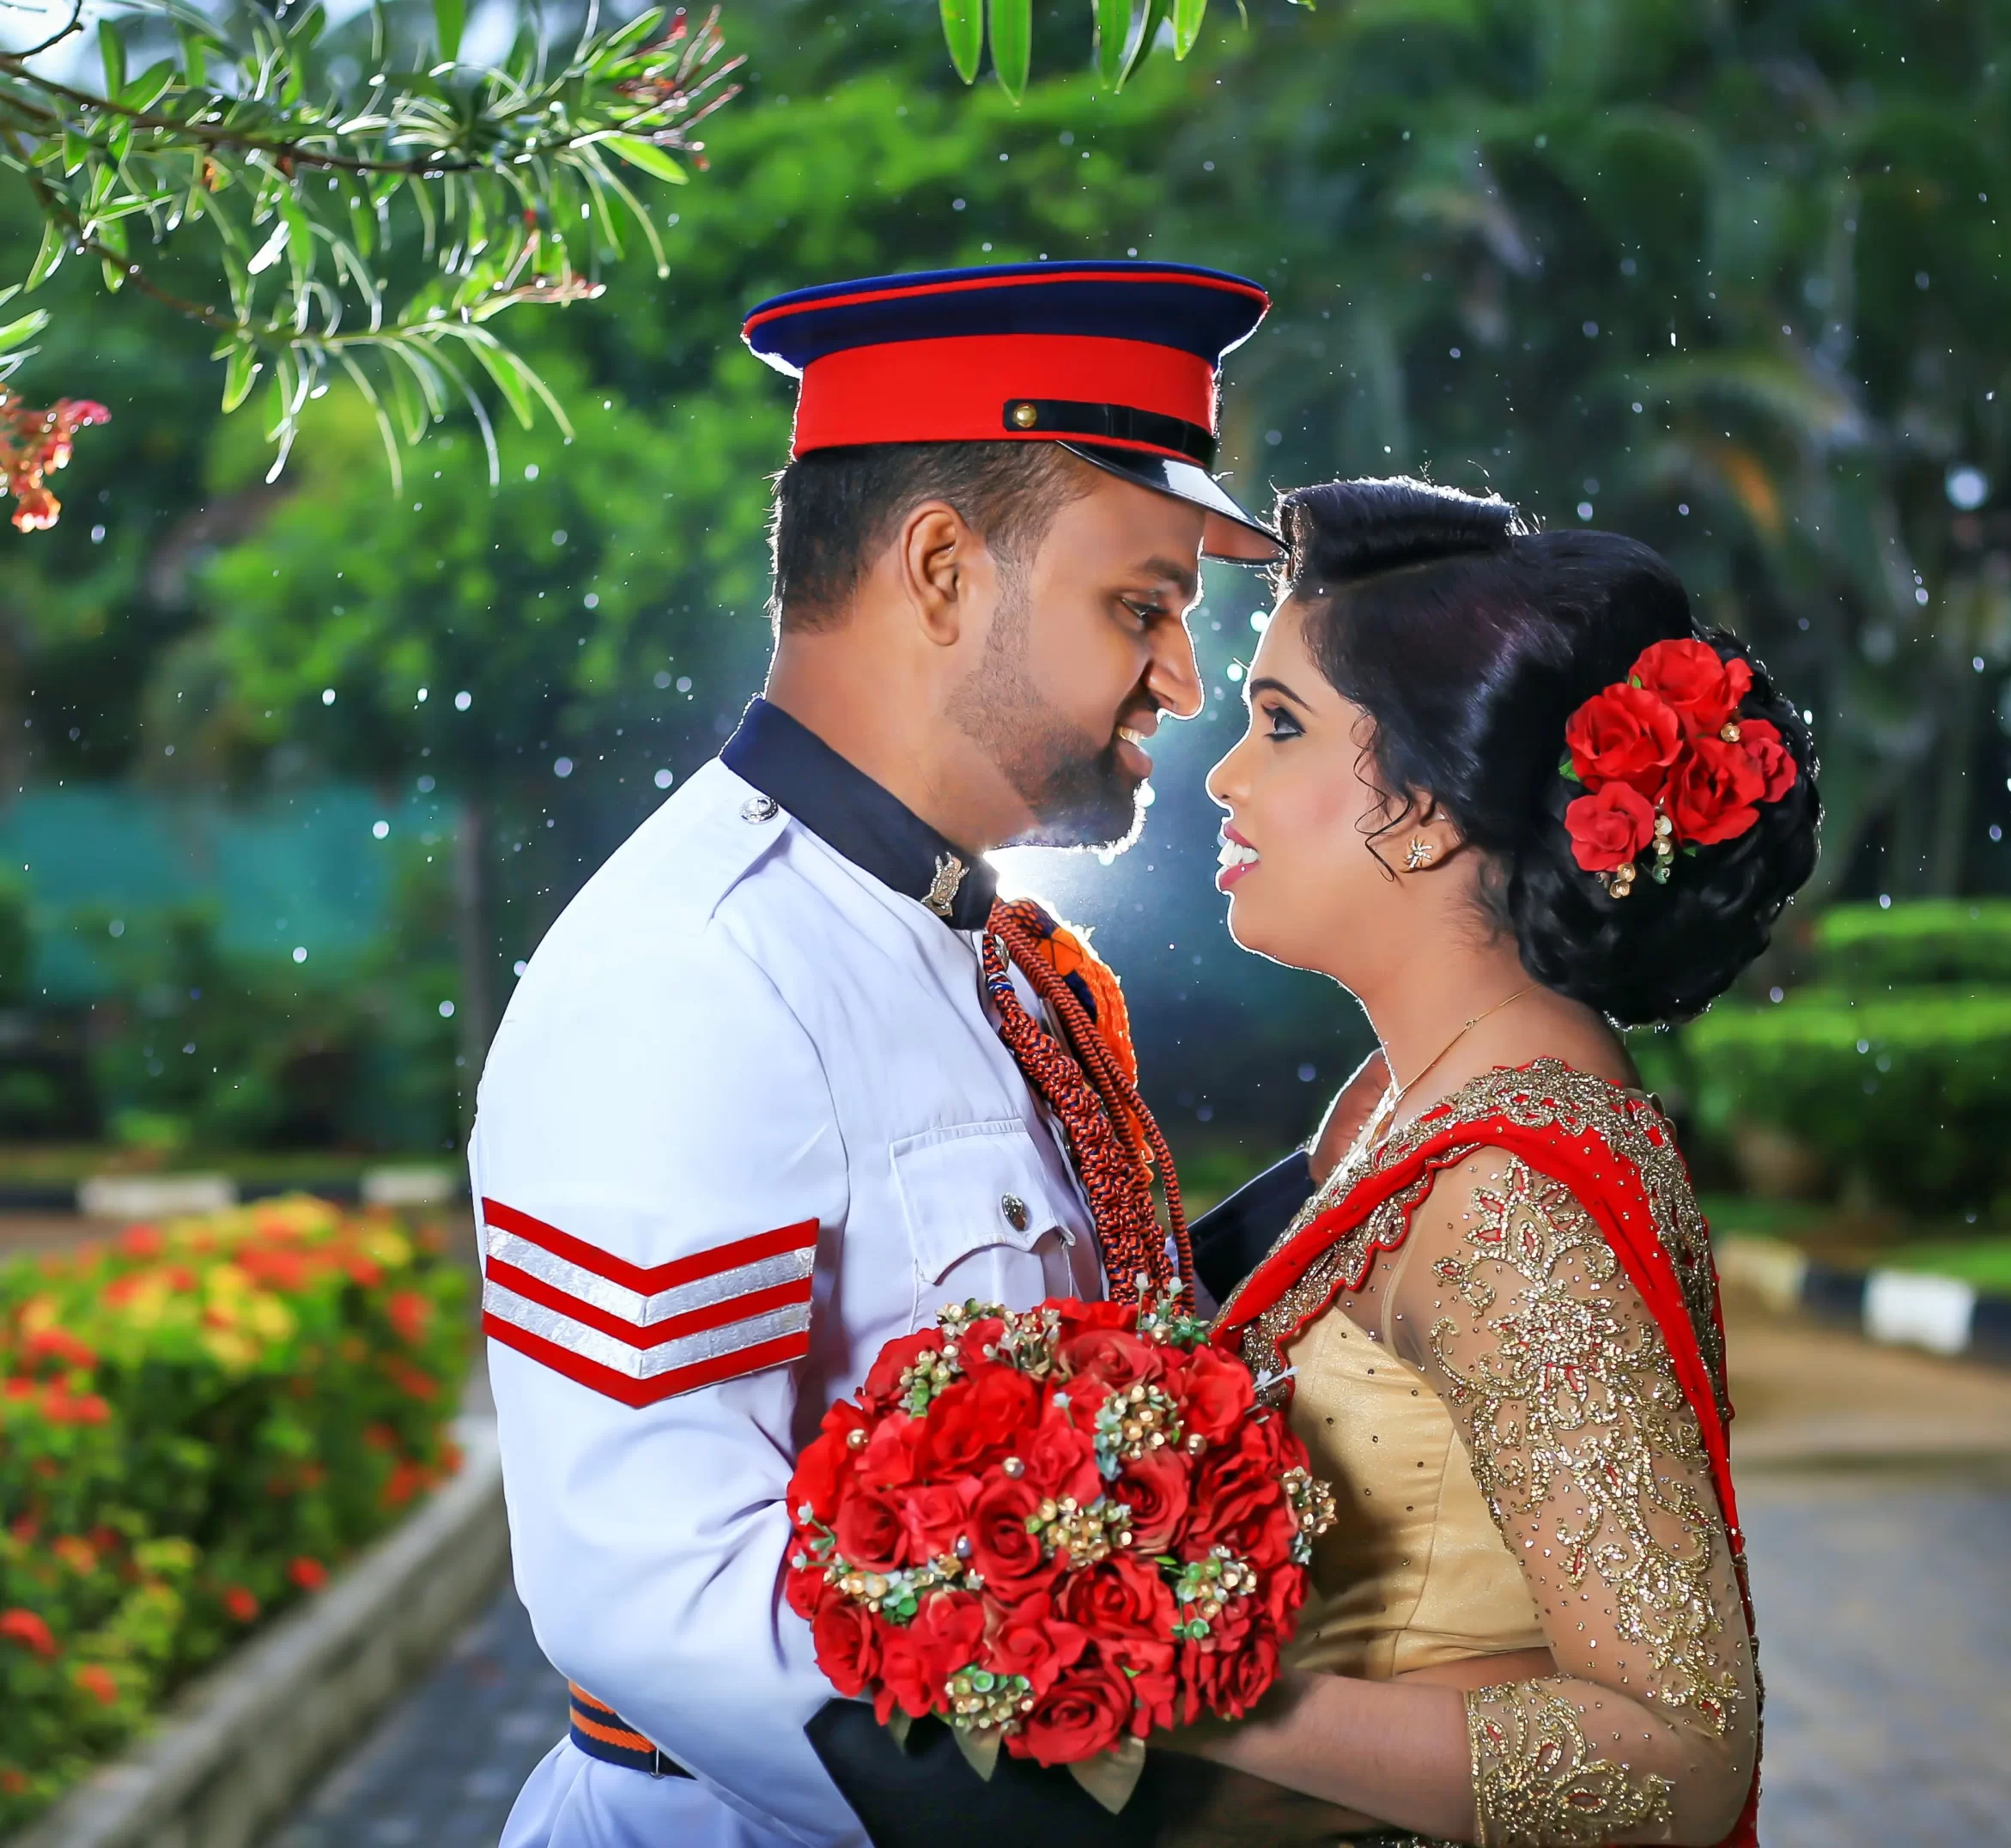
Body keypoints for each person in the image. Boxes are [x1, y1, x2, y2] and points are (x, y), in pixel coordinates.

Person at [468, 259, 1306, 1848]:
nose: (1183, 681)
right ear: (942, 570)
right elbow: (653, 1587)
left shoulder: (977, 944)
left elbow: (1092, 1342)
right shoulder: (692, 969)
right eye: (1142, 606)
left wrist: (1386, 1175)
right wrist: (1130, 1833)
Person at [1160, 476, 1820, 1845]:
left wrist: (1192, 1697)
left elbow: (1678, 1755)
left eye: (1280, 725)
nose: (1224, 776)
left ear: (1424, 808)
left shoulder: (1508, 1194)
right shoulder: (1398, 1100)